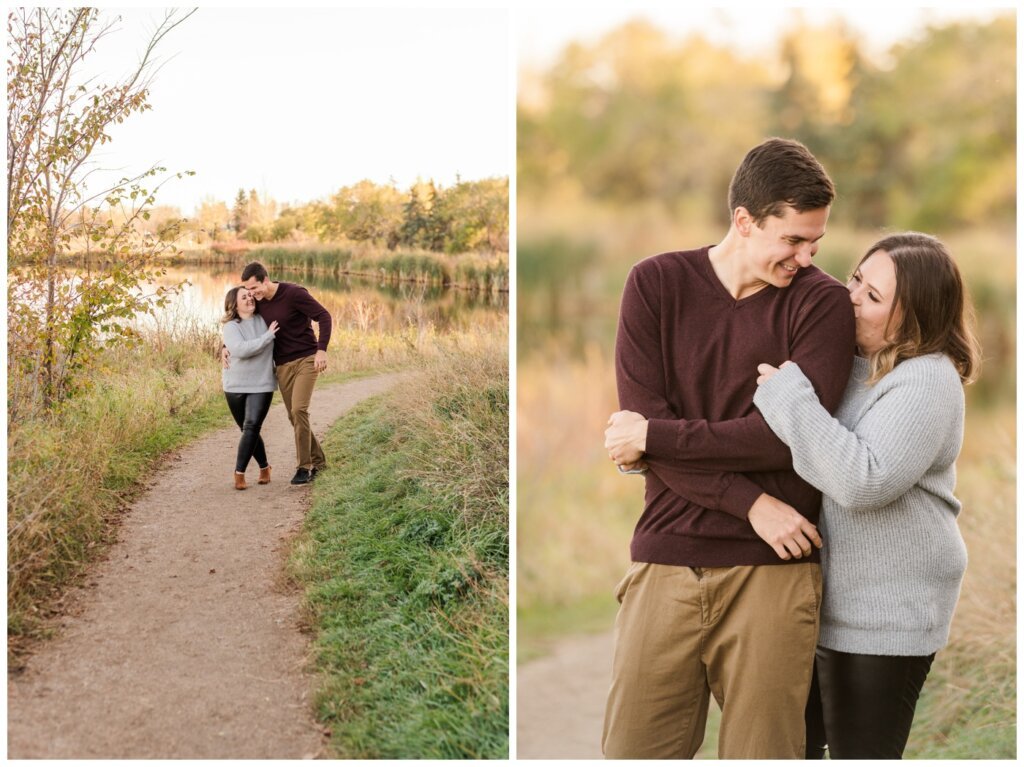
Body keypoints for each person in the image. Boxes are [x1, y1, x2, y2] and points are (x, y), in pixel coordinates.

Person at [607, 232, 979, 758]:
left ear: (915, 322)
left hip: (884, 615)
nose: (849, 296)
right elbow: (785, 449)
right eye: (856, 279)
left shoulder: (926, 381)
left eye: (873, 297)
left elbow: (862, 480)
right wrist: (657, 453)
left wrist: (787, 400)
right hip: (823, 599)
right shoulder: (857, 366)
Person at [599, 137, 856, 759]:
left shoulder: (821, 303)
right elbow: (647, 430)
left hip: (774, 571)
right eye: (792, 240)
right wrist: (751, 505)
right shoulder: (655, 284)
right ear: (744, 221)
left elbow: (788, 437)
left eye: (815, 242)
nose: (806, 256)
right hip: (665, 556)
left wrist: (656, 439)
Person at [225, 262, 333, 486]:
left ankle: (304, 467)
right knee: (294, 416)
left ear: (265, 280)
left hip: (306, 358)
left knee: (298, 409)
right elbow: (240, 325)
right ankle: (320, 461)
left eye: (254, 289)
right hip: (282, 365)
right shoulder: (260, 305)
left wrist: (321, 349)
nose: (252, 295)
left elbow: (324, 316)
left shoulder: (294, 294)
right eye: (248, 291)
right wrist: (224, 347)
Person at [221, 286, 279, 490]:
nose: (249, 299)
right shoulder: (231, 327)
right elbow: (239, 349)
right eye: (243, 297)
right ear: (235, 305)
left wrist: (269, 334)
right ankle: (265, 467)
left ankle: (239, 473)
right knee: (247, 430)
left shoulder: (265, 319)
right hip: (234, 385)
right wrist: (267, 337)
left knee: (252, 426)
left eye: (250, 295)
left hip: (262, 382)